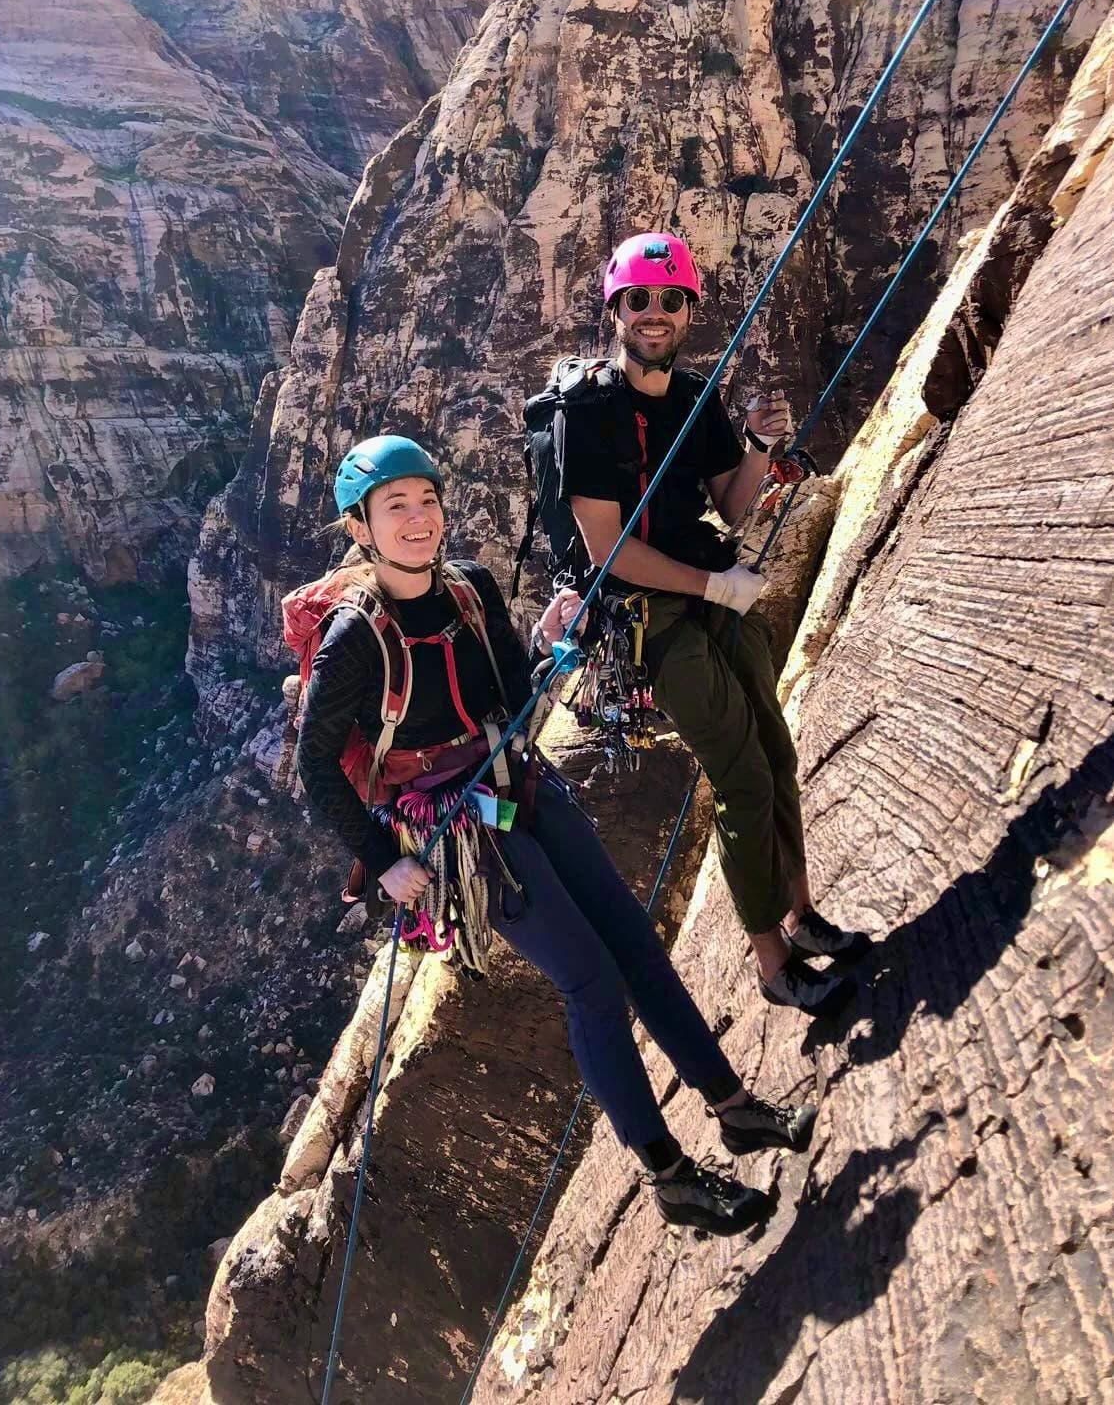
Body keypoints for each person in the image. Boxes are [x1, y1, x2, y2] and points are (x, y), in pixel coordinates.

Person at [294, 433, 818, 1238]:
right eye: (395, 507)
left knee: (638, 948)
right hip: (459, 832)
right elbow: (314, 767)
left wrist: (544, 643)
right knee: (592, 983)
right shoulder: (353, 640)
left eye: (427, 500)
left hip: (519, 788)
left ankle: (735, 1106)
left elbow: (510, 694)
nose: (418, 519)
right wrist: (382, 859)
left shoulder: (468, 588)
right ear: (359, 527)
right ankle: (670, 1176)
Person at [558, 232, 871, 1018]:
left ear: (689, 309)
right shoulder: (588, 413)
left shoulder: (695, 398)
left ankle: (802, 918)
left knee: (776, 749)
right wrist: (715, 586)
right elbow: (608, 551)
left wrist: (760, 447)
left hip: (707, 588)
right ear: (615, 310)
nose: (654, 314)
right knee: (740, 773)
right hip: (648, 616)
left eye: (669, 300)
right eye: (639, 301)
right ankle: (772, 966)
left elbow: (733, 503)